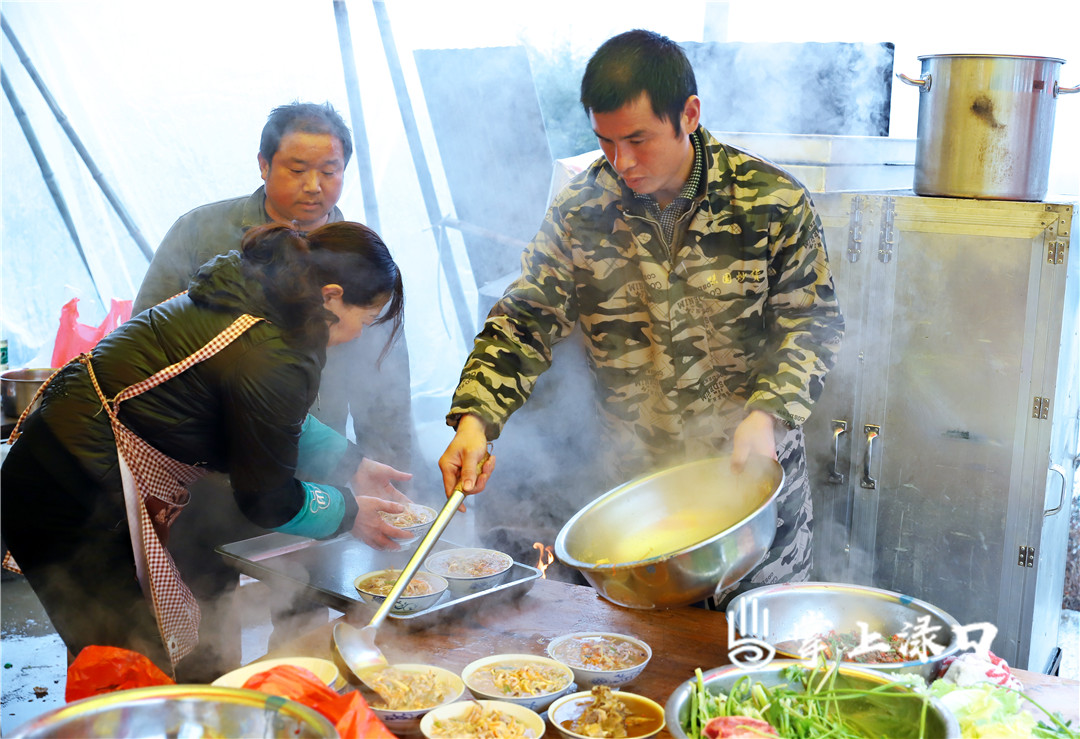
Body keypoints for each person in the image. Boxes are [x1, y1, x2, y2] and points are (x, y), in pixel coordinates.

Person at [438, 29, 844, 602]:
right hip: (640, 500)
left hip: (752, 489)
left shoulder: (770, 202)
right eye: (605, 142)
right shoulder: (582, 211)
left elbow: (812, 324)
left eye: (638, 139)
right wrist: (475, 420)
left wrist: (768, 414)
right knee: (644, 663)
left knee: (756, 662)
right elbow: (524, 321)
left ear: (689, 114)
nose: (622, 161)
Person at [1, 222, 413, 678]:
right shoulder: (273, 349)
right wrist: (350, 512)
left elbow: (267, 414)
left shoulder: (257, 291)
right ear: (332, 295)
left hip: (65, 465)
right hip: (68, 490)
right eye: (367, 319)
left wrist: (352, 465)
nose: (361, 335)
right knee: (127, 670)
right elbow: (267, 498)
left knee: (137, 657)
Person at [132, 102, 415, 674]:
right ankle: (211, 697)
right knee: (199, 616)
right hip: (199, 473)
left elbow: (385, 377)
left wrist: (373, 465)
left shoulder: (358, 253)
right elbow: (148, 341)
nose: (314, 185)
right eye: (295, 167)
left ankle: (286, 702)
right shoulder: (202, 232)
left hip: (306, 464)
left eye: (330, 169)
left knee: (305, 614)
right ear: (262, 165)